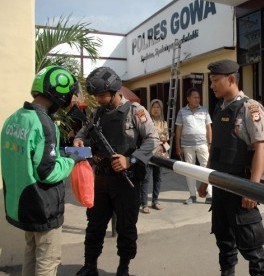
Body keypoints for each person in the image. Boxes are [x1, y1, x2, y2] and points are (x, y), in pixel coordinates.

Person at [73, 67, 160, 276]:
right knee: (94, 225)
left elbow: (153, 140)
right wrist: (79, 140)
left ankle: (123, 267)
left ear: (114, 91)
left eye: (102, 95)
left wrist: (130, 160)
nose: (99, 100)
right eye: (97, 96)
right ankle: (90, 265)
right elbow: (82, 134)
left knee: (126, 228)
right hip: (101, 179)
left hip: (126, 181)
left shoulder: (135, 111)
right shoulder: (97, 114)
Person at [1, 66, 82, 276]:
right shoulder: (45, 124)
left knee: (31, 252)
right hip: (43, 205)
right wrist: (72, 159)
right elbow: (47, 172)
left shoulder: (13, 119)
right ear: (59, 92)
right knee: (48, 260)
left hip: (22, 204)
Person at [198, 59, 264, 276]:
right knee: (225, 243)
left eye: (215, 81)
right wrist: (204, 179)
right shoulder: (220, 108)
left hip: (241, 188)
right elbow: (215, 150)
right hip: (220, 186)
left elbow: (261, 148)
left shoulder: (250, 107)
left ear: (231, 79)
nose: (212, 86)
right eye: (211, 81)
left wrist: (252, 188)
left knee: (252, 249)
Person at [175, 87, 213, 204]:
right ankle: (192, 195)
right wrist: (178, 146)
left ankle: (209, 195)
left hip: (203, 144)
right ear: (188, 99)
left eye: (198, 97)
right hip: (187, 146)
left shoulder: (204, 110)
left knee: (207, 169)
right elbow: (179, 129)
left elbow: (208, 127)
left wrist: (210, 143)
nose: (197, 99)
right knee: (189, 170)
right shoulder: (182, 112)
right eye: (195, 97)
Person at [140, 99, 169, 213]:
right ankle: (144, 204)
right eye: (153, 107)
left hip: (160, 154)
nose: (156, 109)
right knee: (146, 178)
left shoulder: (164, 122)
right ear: (150, 109)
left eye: (158, 107)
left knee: (158, 178)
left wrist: (166, 150)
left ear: (161, 109)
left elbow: (166, 139)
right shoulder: (147, 121)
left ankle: (155, 201)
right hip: (148, 153)